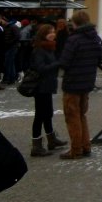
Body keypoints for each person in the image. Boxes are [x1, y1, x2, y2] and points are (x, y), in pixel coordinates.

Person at [57, 10, 102, 160]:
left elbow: (65, 61)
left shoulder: (74, 39)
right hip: (87, 81)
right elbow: (99, 59)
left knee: (72, 116)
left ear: (75, 23)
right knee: (82, 114)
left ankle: (76, 149)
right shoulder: (95, 38)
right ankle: (85, 145)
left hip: (73, 82)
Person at [28, 23, 67, 157]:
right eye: (50, 32)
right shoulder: (39, 49)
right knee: (40, 115)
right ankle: (36, 146)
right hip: (40, 87)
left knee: (48, 113)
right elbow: (41, 68)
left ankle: (52, 140)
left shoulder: (49, 48)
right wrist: (58, 63)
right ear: (44, 34)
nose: (53, 34)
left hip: (47, 86)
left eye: (53, 32)